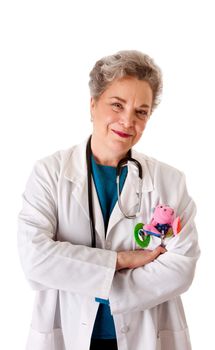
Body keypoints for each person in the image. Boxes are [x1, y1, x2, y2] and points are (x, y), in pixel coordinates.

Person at [18, 50, 200, 350]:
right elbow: (35, 259)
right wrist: (120, 261)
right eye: (117, 105)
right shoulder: (49, 173)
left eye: (141, 111)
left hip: (146, 334)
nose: (128, 121)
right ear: (93, 105)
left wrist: (90, 278)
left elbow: (182, 266)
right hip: (69, 334)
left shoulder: (169, 181)